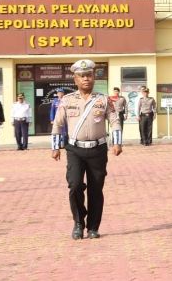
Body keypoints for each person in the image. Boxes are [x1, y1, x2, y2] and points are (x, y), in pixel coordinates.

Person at [51, 59, 123, 240]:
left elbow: (114, 121)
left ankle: (93, 227)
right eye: (82, 76)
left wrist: (117, 142)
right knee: (75, 186)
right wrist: (55, 147)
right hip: (75, 150)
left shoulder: (103, 99)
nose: (86, 79)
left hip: (98, 150)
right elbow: (58, 124)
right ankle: (78, 222)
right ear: (75, 79)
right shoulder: (67, 100)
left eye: (89, 75)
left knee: (95, 189)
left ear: (94, 78)